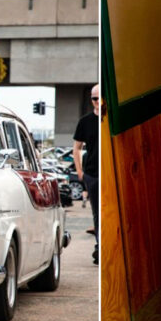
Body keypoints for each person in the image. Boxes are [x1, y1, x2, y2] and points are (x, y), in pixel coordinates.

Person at [73, 84, 99, 265]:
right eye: (93, 98)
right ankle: (100, 245)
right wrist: (79, 171)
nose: (96, 102)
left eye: (99, 98)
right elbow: (77, 147)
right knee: (97, 213)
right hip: (92, 173)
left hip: (108, 172)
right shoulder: (85, 121)